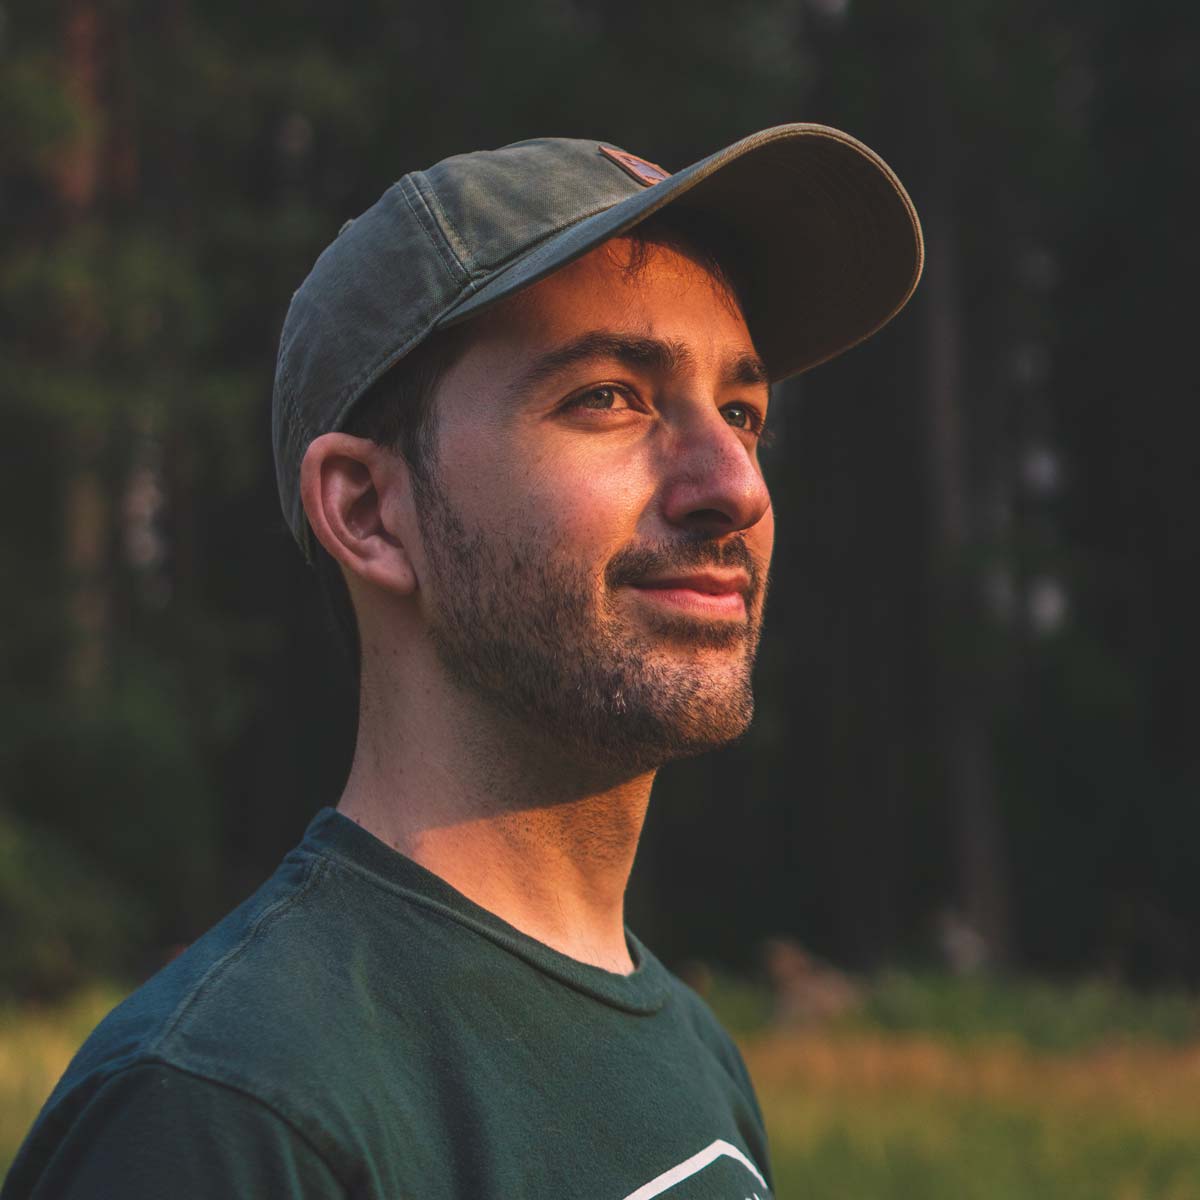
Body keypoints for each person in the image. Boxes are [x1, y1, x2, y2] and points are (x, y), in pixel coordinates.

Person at [4, 125, 921, 1199]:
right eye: (608, 397)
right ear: (368, 511)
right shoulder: (227, 1108)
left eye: (741, 411)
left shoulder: (695, 1055)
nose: (736, 486)